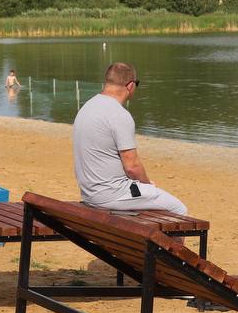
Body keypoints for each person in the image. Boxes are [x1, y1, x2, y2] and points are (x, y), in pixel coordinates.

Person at [72, 62, 187, 215]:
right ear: (131, 85)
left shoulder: (87, 107)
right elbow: (132, 167)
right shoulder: (118, 114)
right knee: (179, 210)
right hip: (113, 194)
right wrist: (148, 185)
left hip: (89, 194)